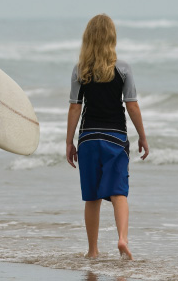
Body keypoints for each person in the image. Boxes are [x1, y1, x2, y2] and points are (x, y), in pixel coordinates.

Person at [66, 14, 149, 260]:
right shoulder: (123, 69)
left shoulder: (80, 70)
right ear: (112, 38)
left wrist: (69, 141)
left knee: (92, 197)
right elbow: (132, 105)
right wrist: (143, 137)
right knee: (118, 193)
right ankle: (122, 239)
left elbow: (75, 107)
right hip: (115, 139)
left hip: (89, 139)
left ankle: (92, 251)